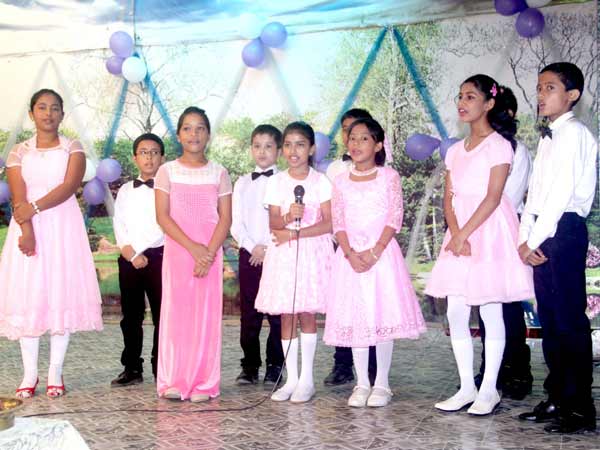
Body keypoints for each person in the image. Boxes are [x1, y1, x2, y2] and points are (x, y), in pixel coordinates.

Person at [425, 74, 534, 416]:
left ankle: (489, 390)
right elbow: (449, 198)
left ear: (489, 103)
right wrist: (456, 233)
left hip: (488, 231)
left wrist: (465, 234)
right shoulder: (455, 150)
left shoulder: (499, 145)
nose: (462, 102)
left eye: (471, 96)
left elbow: (493, 197)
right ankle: (466, 388)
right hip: (459, 234)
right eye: (460, 96)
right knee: (456, 311)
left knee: (489, 308)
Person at [0, 88, 103, 398]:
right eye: (42, 107)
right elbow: (18, 195)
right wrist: (27, 229)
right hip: (27, 226)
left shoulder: (73, 148)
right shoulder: (19, 152)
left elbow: (69, 186)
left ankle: (55, 372)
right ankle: (29, 373)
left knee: (61, 293)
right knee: (28, 296)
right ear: (31, 114)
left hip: (63, 228)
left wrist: (34, 208)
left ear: (62, 114)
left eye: (55, 108)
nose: (48, 113)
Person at [323, 117, 426, 408]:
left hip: (380, 257)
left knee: (381, 318)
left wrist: (374, 252)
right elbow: (338, 222)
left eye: (364, 138)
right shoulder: (341, 181)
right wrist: (349, 253)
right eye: (352, 138)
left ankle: (381, 383)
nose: (356, 144)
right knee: (356, 318)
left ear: (378, 145)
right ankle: (361, 383)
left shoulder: (388, 177)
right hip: (350, 258)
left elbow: (394, 217)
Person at [517, 62, 597, 434]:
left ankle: (579, 408)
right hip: (543, 229)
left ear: (572, 95)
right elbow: (534, 196)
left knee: (569, 322)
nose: (541, 95)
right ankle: (557, 397)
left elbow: (561, 195)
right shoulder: (549, 137)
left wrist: (533, 240)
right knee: (549, 321)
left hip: (563, 230)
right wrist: (524, 238)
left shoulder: (575, 133)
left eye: (550, 87)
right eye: (539, 88)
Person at [154, 107, 232, 402]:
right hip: (179, 253)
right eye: (187, 128)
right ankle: (174, 380)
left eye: (200, 128)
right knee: (177, 316)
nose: (194, 134)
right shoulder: (167, 171)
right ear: (178, 135)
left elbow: (225, 219)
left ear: (208, 134)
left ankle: (204, 382)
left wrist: (208, 254)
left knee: (205, 317)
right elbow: (162, 216)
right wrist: (193, 248)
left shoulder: (219, 172)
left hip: (209, 256)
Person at [255, 121, 333, 403]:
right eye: (288, 145)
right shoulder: (275, 182)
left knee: (307, 313)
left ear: (311, 148)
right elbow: (274, 223)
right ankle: (292, 379)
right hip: (284, 254)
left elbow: (329, 223)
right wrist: (289, 217)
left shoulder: (321, 181)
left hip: (312, 251)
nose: (293, 151)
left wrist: (296, 233)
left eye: (300, 144)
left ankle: (307, 381)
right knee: (287, 314)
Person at [474, 87, 534, 400]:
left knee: (508, 306)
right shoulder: (477, 148)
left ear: (508, 114)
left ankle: (517, 371)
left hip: (504, 233)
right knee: (485, 304)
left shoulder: (517, 151)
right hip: (478, 233)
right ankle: (490, 370)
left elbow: (506, 198)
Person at [324, 108, 377, 386]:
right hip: (342, 246)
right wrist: (344, 246)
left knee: (372, 306)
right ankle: (342, 364)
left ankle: (374, 368)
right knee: (344, 306)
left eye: (357, 131)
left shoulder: (381, 169)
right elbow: (332, 212)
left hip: (372, 249)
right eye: (346, 130)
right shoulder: (334, 170)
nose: (351, 136)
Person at [231, 124, 284, 385]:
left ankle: (276, 365)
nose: (262, 151)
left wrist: (269, 248)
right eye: (257, 146)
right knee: (249, 314)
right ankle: (250, 365)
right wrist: (253, 247)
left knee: (277, 314)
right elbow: (235, 222)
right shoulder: (242, 183)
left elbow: (287, 220)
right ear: (251, 149)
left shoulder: (285, 181)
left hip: (279, 254)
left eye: (268, 146)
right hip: (249, 255)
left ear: (279, 151)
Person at [111, 133, 165, 387]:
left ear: (162, 157)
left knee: (162, 315)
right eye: (143, 152)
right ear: (135, 158)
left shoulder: (168, 188)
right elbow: (119, 224)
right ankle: (132, 367)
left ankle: (161, 366)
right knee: (131, 316)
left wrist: (146, 251)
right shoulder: (125, 190)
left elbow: (168, 223)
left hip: (160, 256)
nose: (149, 157)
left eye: (154, 152)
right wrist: (132, 254)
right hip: (130, 258)